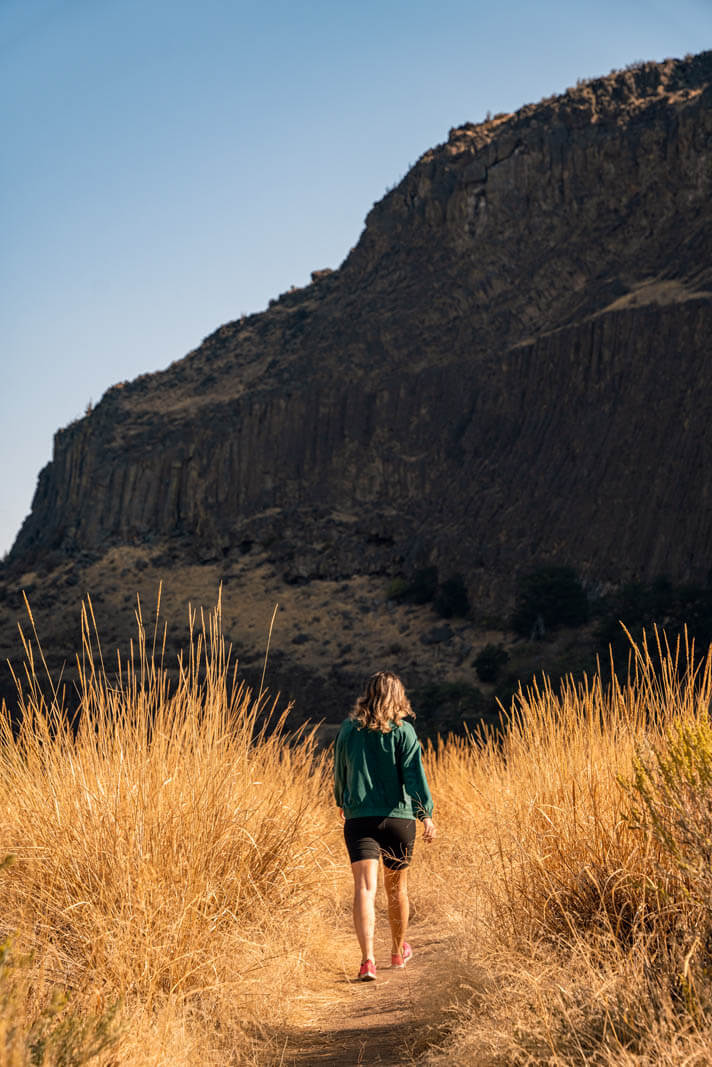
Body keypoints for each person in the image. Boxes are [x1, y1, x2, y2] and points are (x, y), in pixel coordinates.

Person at [334, 671, 436, 982]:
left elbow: (340, 768)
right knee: (397, 889)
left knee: (365, 889)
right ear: (398, 697)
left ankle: (367, 961)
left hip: (359, 817)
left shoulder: (349, 730)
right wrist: (426, 814)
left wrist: (343, 800)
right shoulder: (404, 732)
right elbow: (414, 775)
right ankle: (396, 952)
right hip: (399, 818)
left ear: (368, 694)